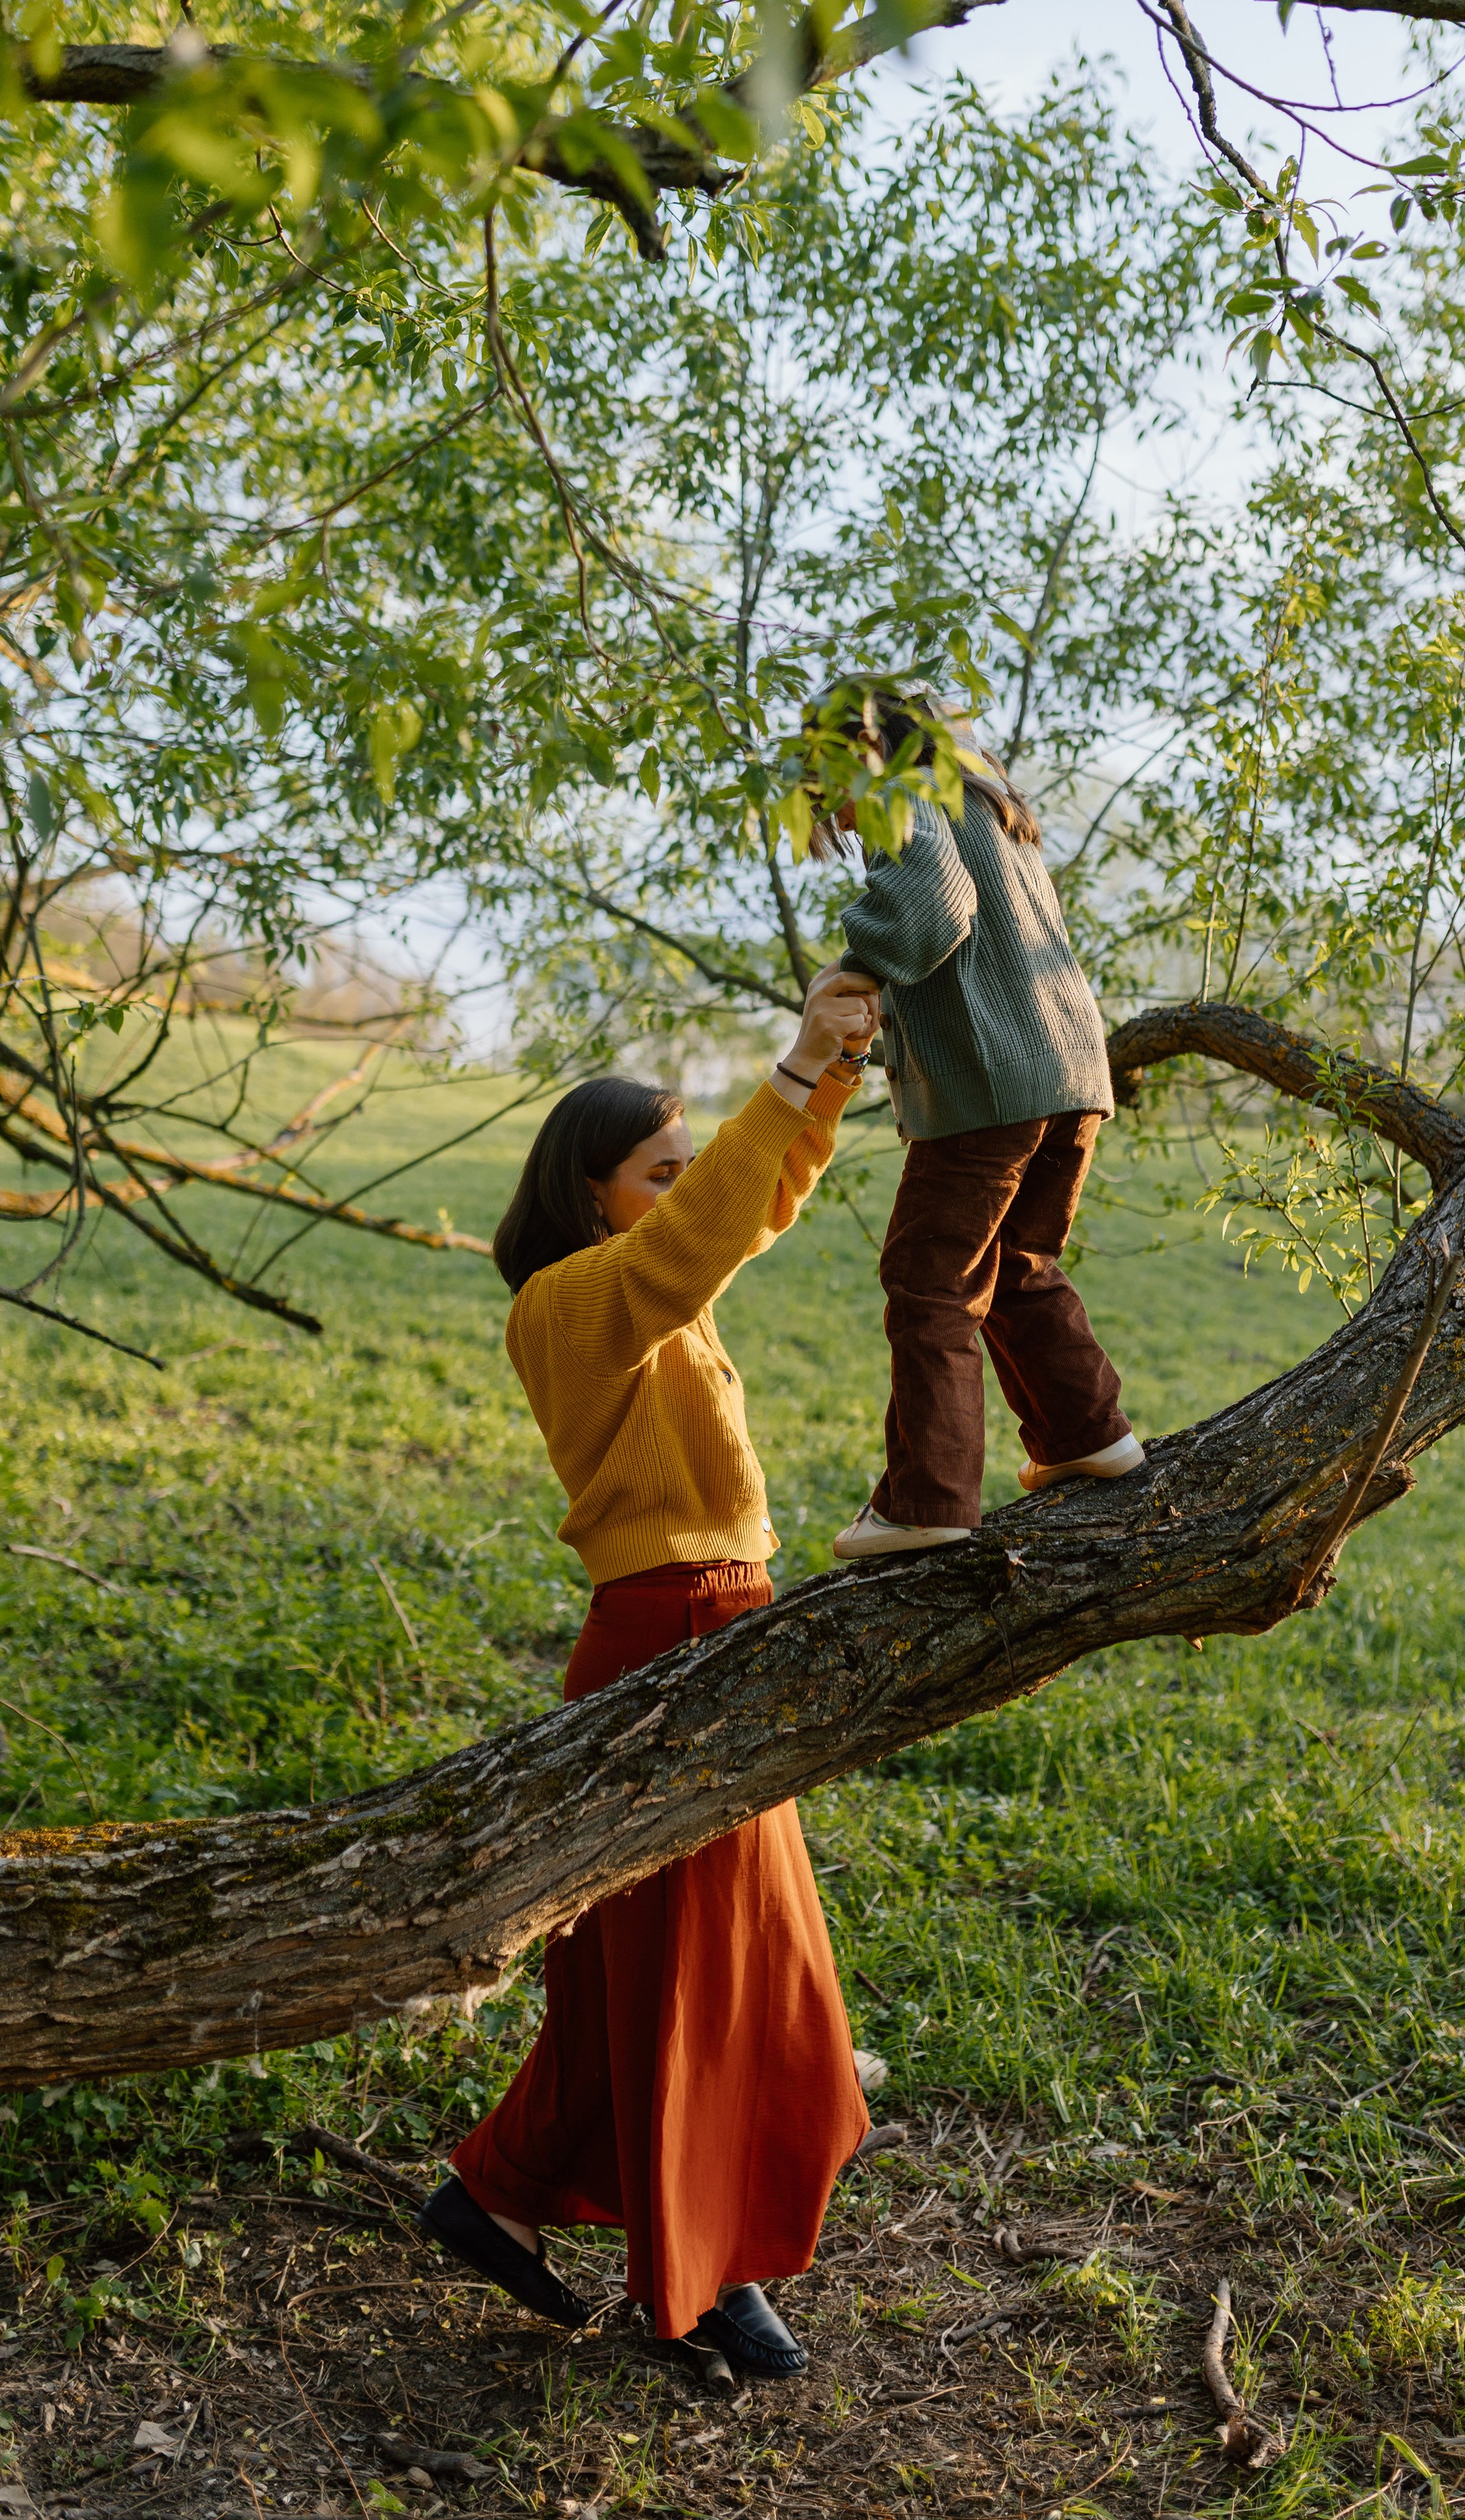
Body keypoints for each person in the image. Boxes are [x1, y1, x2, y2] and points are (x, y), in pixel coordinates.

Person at [421, 964, 880, 2378]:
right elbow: (705, 1238)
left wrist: (832, 1074)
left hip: (714, 1630)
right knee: (716, 1978)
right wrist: (795, 1064)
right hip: (672, 1634)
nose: (683, 1195)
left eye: (688, 1171)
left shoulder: (650, 1290)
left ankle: (494, 2193)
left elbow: (751, 1210)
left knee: (642, 1976)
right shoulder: (575, 1302)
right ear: (592, 1190)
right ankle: (697, 2278)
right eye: (658, 1172)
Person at [810, 683, 1146, 1557]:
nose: (841, 822)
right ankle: (1087, 1436)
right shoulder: (983, 802)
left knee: (929, 1281)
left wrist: (852, 975)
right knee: (1015, 1264)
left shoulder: (904, 799)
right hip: (1070, 1070)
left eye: (830, 791)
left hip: (995, 1084)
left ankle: (928, 1500)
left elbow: (927, 914)